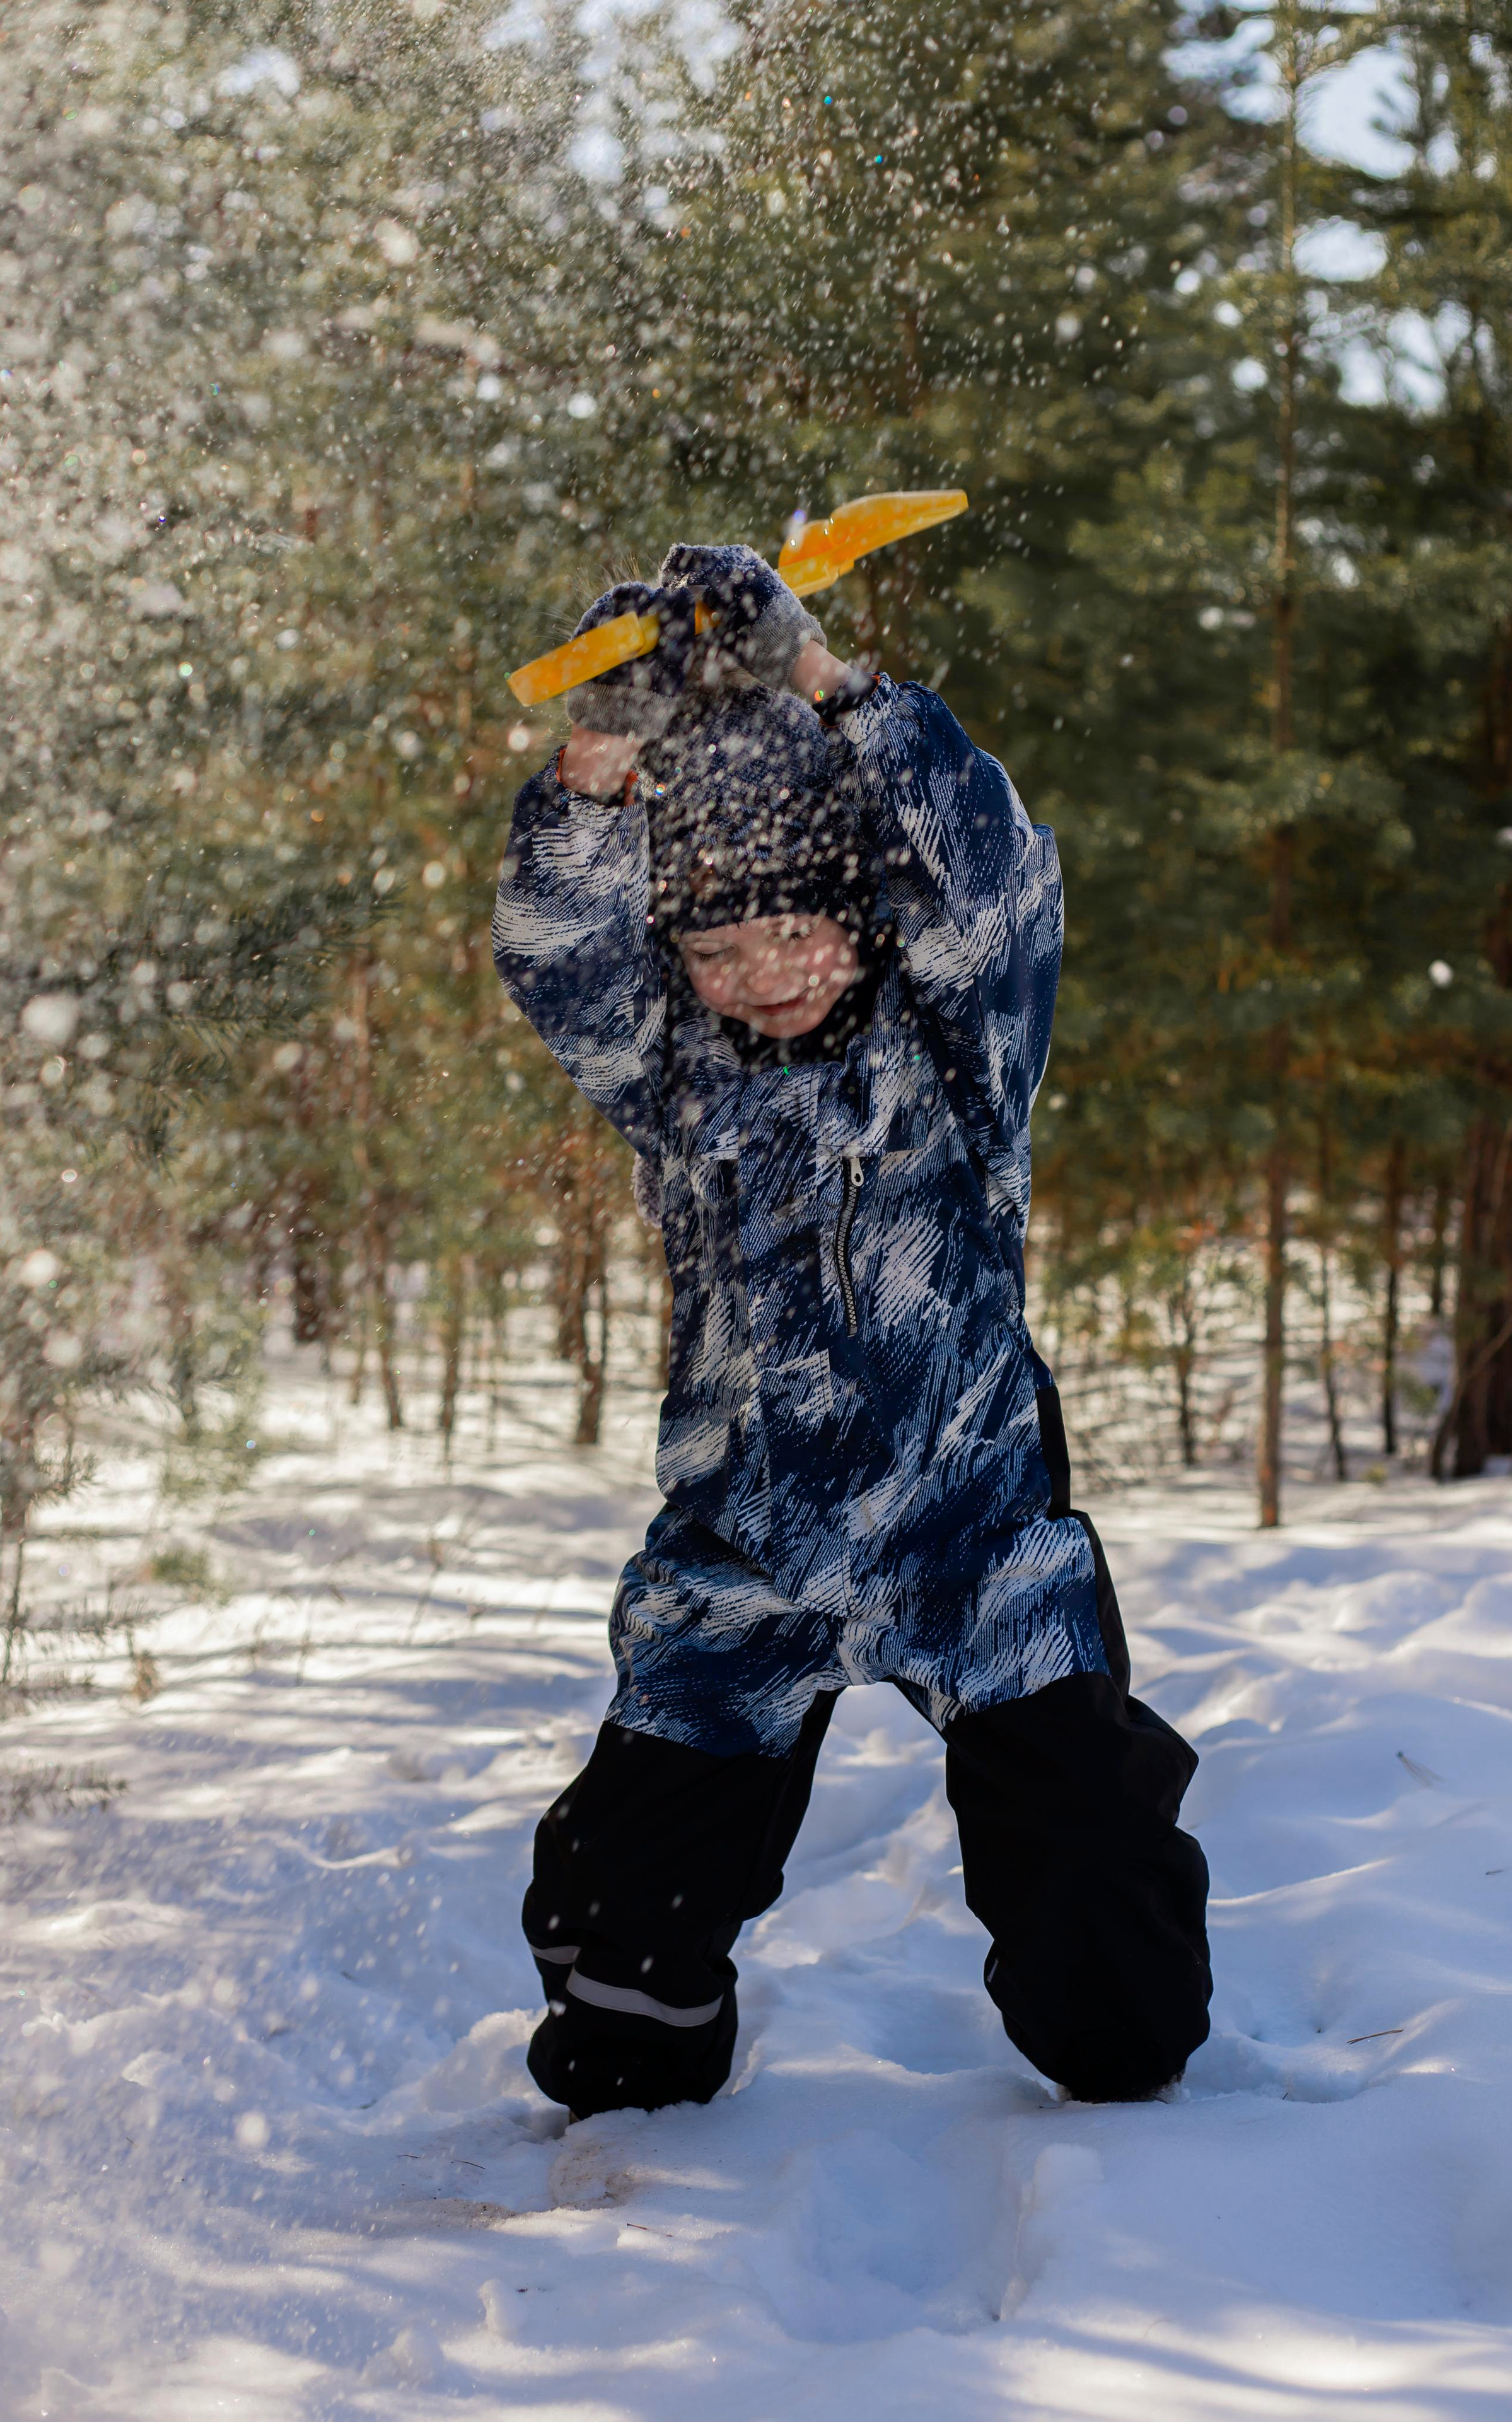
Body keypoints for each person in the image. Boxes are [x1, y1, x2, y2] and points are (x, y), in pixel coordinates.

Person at [492, 544, 1211, 2121]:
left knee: (1118, 2019)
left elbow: (992, 875)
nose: (758, 978)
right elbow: (558, 954)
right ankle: (645, 2070)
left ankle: (1114, 2015)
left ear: (853, 911)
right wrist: (601, 755)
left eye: (792, 937)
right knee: (617, 2015)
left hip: (976, 1543)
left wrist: (826, 683)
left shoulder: (962, 1035)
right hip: (744, 1551)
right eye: (715, 952)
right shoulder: (672, 1069)